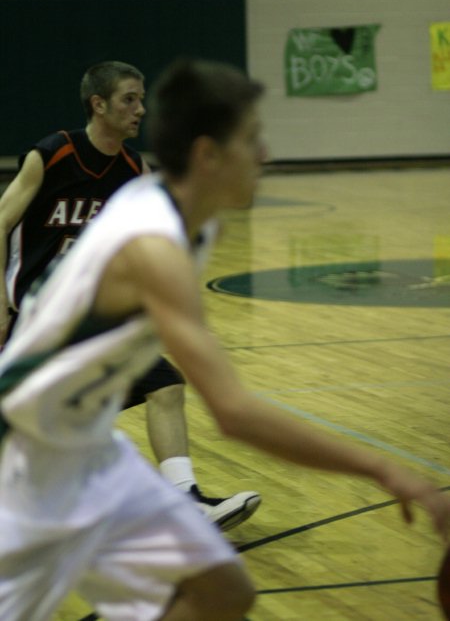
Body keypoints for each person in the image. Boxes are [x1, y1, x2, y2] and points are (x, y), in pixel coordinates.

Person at [0, 58, 449, 621]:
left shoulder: (182, 219)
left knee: (223, 591)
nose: (265, 155)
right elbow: (234, 412)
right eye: (252, 139)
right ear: (209, 154)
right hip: (33, 450)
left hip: (84, 440)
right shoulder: (153, 242)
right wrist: (385, 470)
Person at [0, 60, 260, 531]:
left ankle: (185, 499)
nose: (140, 109)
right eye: (129, 99)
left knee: (164, 384)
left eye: (142, 99)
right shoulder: (53, 154)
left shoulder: (133, 169)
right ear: (98, 105)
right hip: (33, 317)